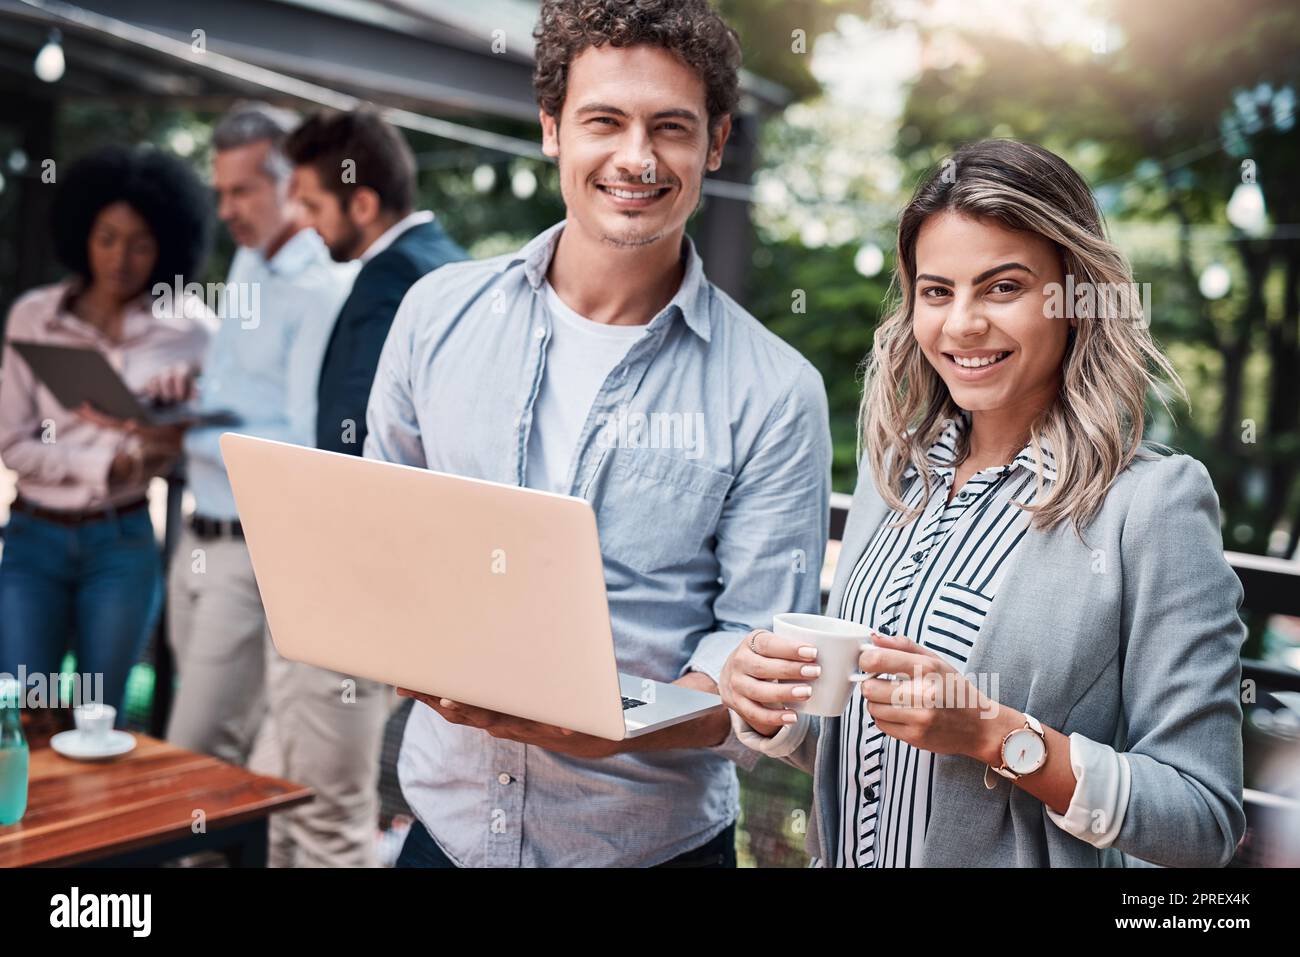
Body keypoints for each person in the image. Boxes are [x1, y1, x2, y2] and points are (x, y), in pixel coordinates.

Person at [370, 0, 831, 867]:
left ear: (716, 143)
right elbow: (381, 539)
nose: (636, 157)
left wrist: (615, 729)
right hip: (445, 834)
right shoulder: (436, 316)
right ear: (551, 129)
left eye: (671, 127)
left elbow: (759, 673)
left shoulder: (775, 393)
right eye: (604, 121)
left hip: (648, 848)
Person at [721, 139, 1248, 868]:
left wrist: (994, 734)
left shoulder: (1152, 507)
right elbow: (886, 767)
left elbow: (1203, 818)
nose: (962, 323)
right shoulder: (894, 478)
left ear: (1075, 296)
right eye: (937, 292)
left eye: (1003, 288)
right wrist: (772, 709)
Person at [241, 109, 466, 868]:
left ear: (361, 203)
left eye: (308, 202)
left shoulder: (395, 281)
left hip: (350, 581)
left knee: (324, 813)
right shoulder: (447, 266)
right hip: (380, 588)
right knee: (279, 786)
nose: (300, 222)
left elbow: (367, 451)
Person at [165, 103, 355, 764]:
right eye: (220, 192)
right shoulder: (249, 261)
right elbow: (239, 389)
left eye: (242, 190)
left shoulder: (323, 288)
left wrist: (193, 435)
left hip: (250, 552)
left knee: (195, 751)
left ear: (292, 185)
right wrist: (187, 400)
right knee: (199, 747)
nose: (226, 209)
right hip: (197, 531)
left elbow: (301, 442)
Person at [0, 145, 214, 724]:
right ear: (81, 232)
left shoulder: (191, 329)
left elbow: (216, 431)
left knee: (103, 720)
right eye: (107, 237)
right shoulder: (33, 317)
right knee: (23, 715)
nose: (121, 258)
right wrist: (105, 466)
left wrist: (174, 429)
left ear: (166, 245)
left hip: (121, 545)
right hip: (32, 539)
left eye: (141, 242)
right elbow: (12, 443)